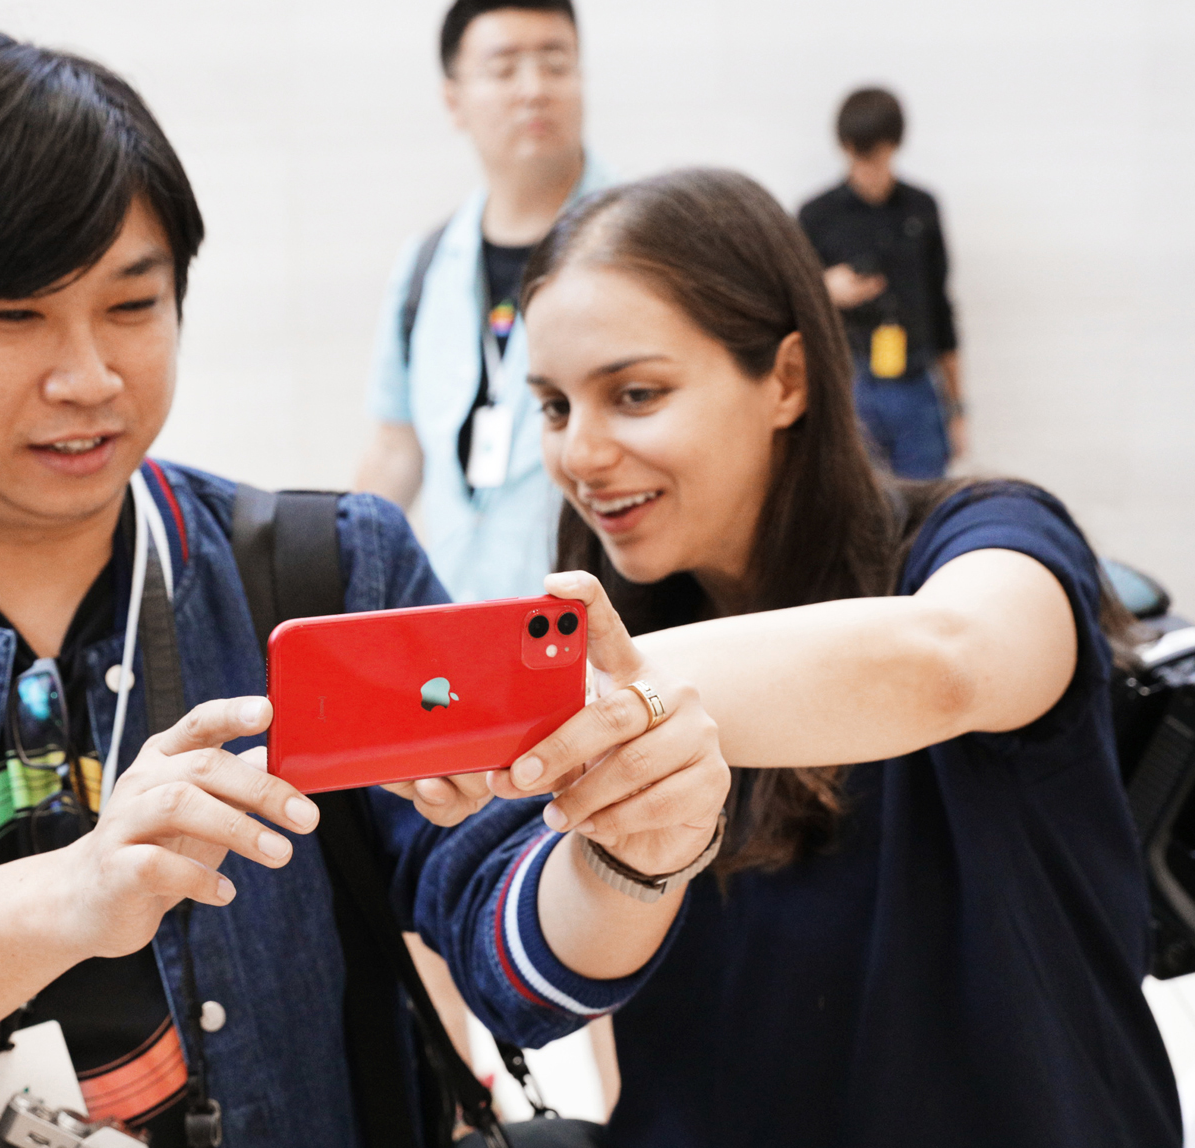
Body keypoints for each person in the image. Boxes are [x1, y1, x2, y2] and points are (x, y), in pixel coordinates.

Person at [0, 31, 713, 1148]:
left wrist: (628, 855)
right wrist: (71, 896)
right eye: (12, 316)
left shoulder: (331, 569)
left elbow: (513, 949)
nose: (89, 375)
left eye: (133, 306)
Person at [459, 168, 1175, 1146]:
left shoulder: (988, 541)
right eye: (553, 406)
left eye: (635, 393)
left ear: (788, 379)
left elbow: (948, 658)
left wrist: (568, 697)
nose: (581, 452)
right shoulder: (630, 648)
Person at [355, 0, 611, 602]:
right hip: (456, 638)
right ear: (454, 99)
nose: (534, 90)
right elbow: (397, 448)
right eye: (503, 69)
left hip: (608, 630)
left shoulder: (645, 242)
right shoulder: (426, 263)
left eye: (556, 64)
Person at [798, 88, 964, 480]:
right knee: (854, 502)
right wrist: (823, 290)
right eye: (860, 155)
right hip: (848, 380)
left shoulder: (921, 209)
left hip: (916, 379)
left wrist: (957, 408)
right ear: (845, 148)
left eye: (878, 153)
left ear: (895, 146)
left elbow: (942, 309)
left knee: (925, 502)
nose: (869, 168)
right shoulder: (817, 215)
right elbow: (784, 308)